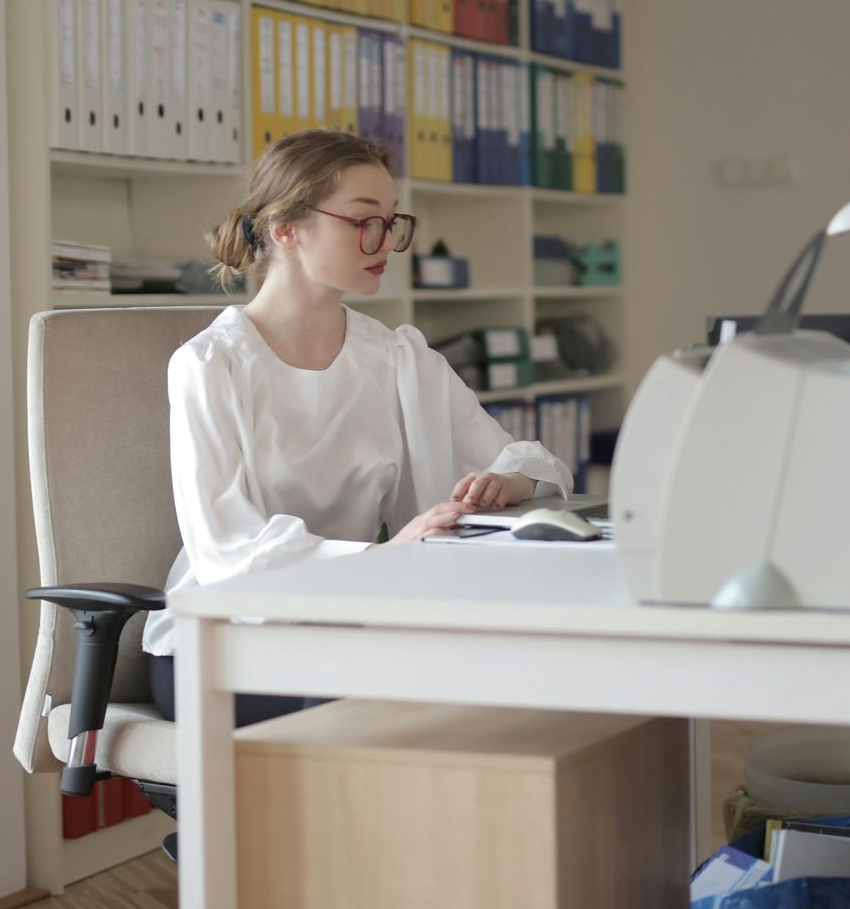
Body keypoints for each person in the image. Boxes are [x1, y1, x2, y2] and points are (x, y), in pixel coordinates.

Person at [144, 129, 572, 724]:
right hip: (227, 641)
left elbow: (533, 462)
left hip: (357, 619)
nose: (386, 242)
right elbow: (227, 554)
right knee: (393, 697)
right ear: (285, 228)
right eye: (363, 221)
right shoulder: (210, 365)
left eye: (393, 222)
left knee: (498, 672)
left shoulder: (400, 357)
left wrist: (510, 484)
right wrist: (383, 555)